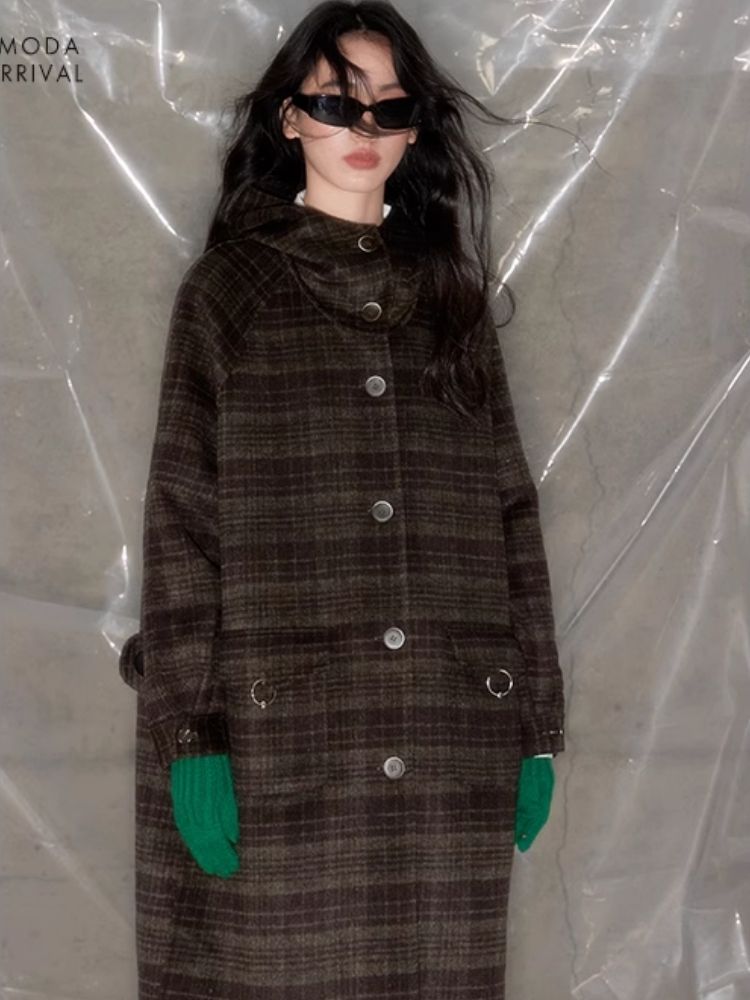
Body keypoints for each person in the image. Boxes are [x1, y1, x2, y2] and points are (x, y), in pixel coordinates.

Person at [118, 2, 566, 997]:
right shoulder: (231, 294)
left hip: (445, 733)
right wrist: (192, 736)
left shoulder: (450, 299)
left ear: (414, 130)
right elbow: (183, 523)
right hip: (284, 742)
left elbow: (509, 513)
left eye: (388, 109)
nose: (363, 130)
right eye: (334, 103)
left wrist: (535, 721)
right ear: (289, 118)